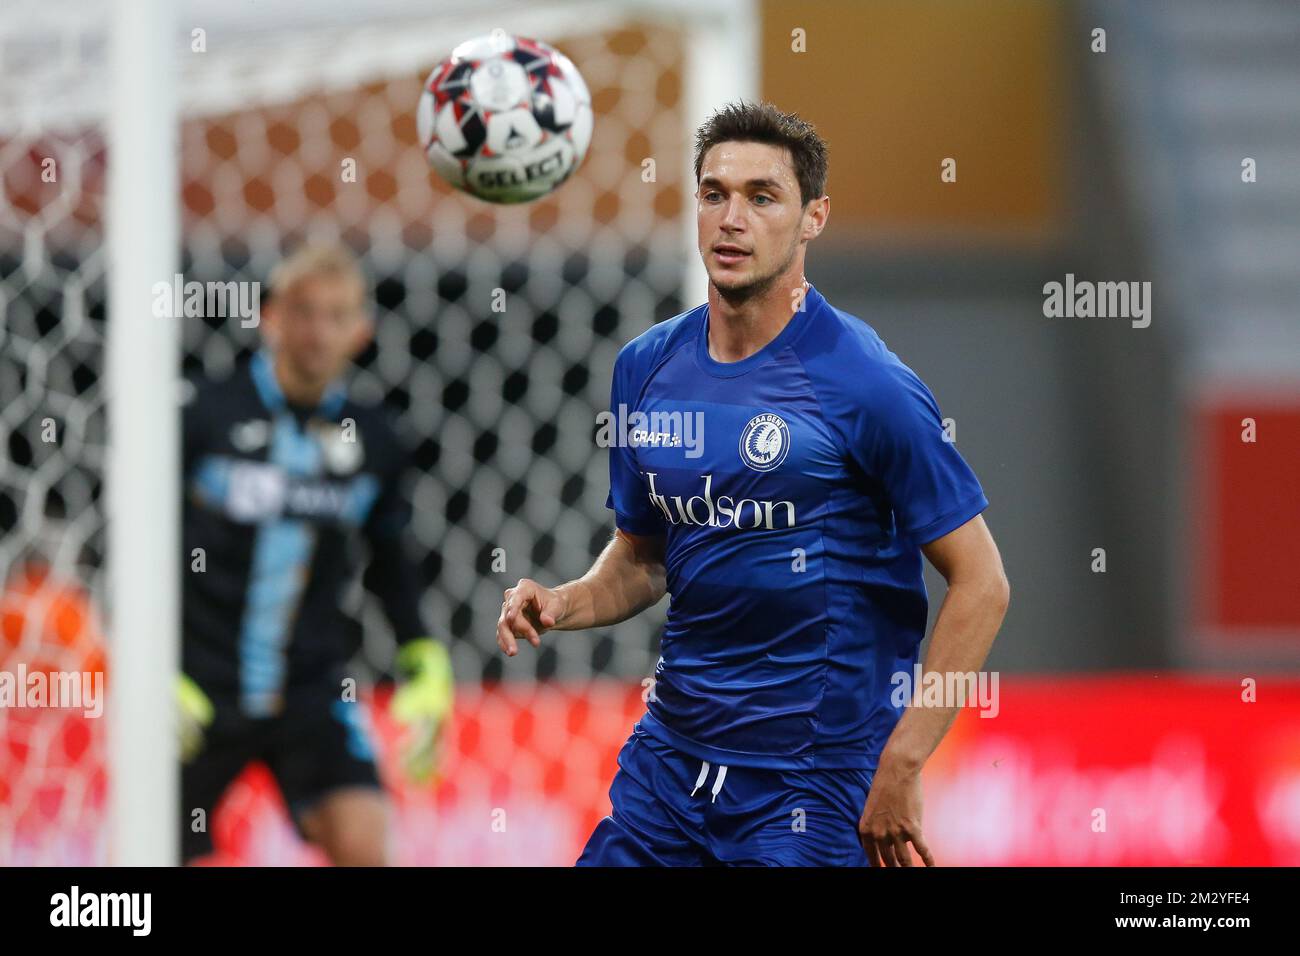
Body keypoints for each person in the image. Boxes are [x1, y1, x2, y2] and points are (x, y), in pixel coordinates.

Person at [497, 102, 1010, 867]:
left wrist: (903, 761)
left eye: (762, 197)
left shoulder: (865, 383)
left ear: (813, 218)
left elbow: (982, 582)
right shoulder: (646, 367)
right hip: (671, 764)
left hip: (811, 781)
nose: (731, 218)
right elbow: (645, 556)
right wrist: (565, 600)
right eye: (714, 194)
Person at [178, 243, 451, 866]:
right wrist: (150, 666)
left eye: (336, 316)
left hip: (309, 688)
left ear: (361, 331)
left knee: (364, 838)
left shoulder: (373, 438)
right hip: (197, 683)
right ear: (269, 317)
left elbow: (389, 560)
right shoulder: (205, 415)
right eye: (303, 311)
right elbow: (143, 542)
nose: (317, 331)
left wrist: (422, 653)